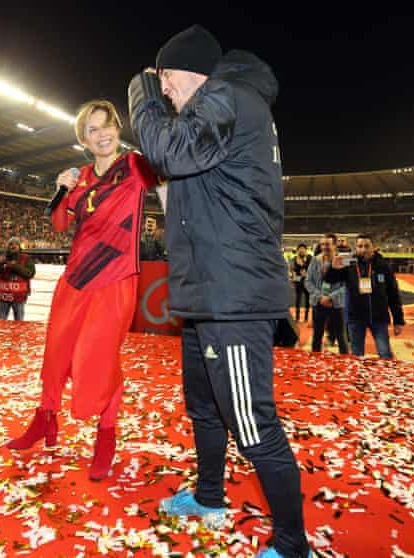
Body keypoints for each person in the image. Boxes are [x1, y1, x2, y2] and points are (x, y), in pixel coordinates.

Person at [129, 25, 310, 558]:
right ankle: (210, 497)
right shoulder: (221, 104)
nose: (162, 90)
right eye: (155, 83)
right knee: (204, 408)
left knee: (253, 423)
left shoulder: (227, 97)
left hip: (232, 297)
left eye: (164, 78)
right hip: (210, 291)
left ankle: (292, 546)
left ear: (189, 71)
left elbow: (164, 150)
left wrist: (136, 90)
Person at [5, 100, 158, 481]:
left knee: (98, 359)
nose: (102, 134)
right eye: (93, 130)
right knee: (55, 355)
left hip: (116, 279)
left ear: (117, 128)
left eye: (107, 126)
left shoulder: (136, 166)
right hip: (74, 280)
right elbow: (59, 223)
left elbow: (171, 180)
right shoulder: (82, 176)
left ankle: (106, 436)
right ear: (83, 139)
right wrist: (61, 187)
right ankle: (45, 421)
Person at [327, 234, 404, 359]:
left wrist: (398, 320)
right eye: (360, 246)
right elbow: (330, 280)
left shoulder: (383, 266)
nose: (363, 249)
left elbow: (393, 294)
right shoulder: (349, 264)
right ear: (356, 248)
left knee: (385, 354)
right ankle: (358, 378)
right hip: (355, 318)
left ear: (374, 247)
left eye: (367, 246)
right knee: (356, 356)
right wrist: (333, 269)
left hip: (379, 317)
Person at [305, 233, 348, 354]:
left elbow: (347, 285)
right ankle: (315, 361)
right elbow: (308, 281)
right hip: (318, 303)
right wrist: (320, 297)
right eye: (322, 244)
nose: (324, 247)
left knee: (341, 336)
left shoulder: (343, 261)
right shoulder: (315, 260)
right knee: (317, 335)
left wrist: (330, 298)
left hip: (336, 304)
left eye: (327, 244)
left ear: (335, 245)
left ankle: (345, 361)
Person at [0, 236, 35, 321]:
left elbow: (30, 274)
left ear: (19, 246)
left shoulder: (26, 258)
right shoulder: (2, 258)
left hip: (18, 297)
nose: (12, 246)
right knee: (0, 323)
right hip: (3, 297)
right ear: (7, 246)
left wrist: (15, 266)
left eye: (15, 244)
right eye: (10, 244)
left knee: (19, 323)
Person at [290, 243, 311, 322]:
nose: (302, 250)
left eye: (303, 249)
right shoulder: (294, 259)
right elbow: (292, 270)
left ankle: (306, 318)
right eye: (300, 249)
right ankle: (297, 317)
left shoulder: (310, 258)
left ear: (306, 250)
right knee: (298, 300)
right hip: (298, 282)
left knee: (307, 300)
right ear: (297, 250)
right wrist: (293, 277)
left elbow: (312, 269)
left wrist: (307, 273)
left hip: (308, 282)